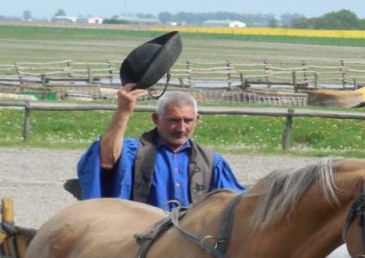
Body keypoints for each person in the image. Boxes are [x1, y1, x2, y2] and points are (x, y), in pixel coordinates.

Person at [75, 87, 244, 207]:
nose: (181, 128)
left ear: (197, 120)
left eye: (188, 120)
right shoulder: (134, 151)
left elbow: (235, 202)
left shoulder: (211, 161)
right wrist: (123, 112)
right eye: (173, 120)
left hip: (192, 244)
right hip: (140, 241)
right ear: (156, 119)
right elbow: (106, 159)